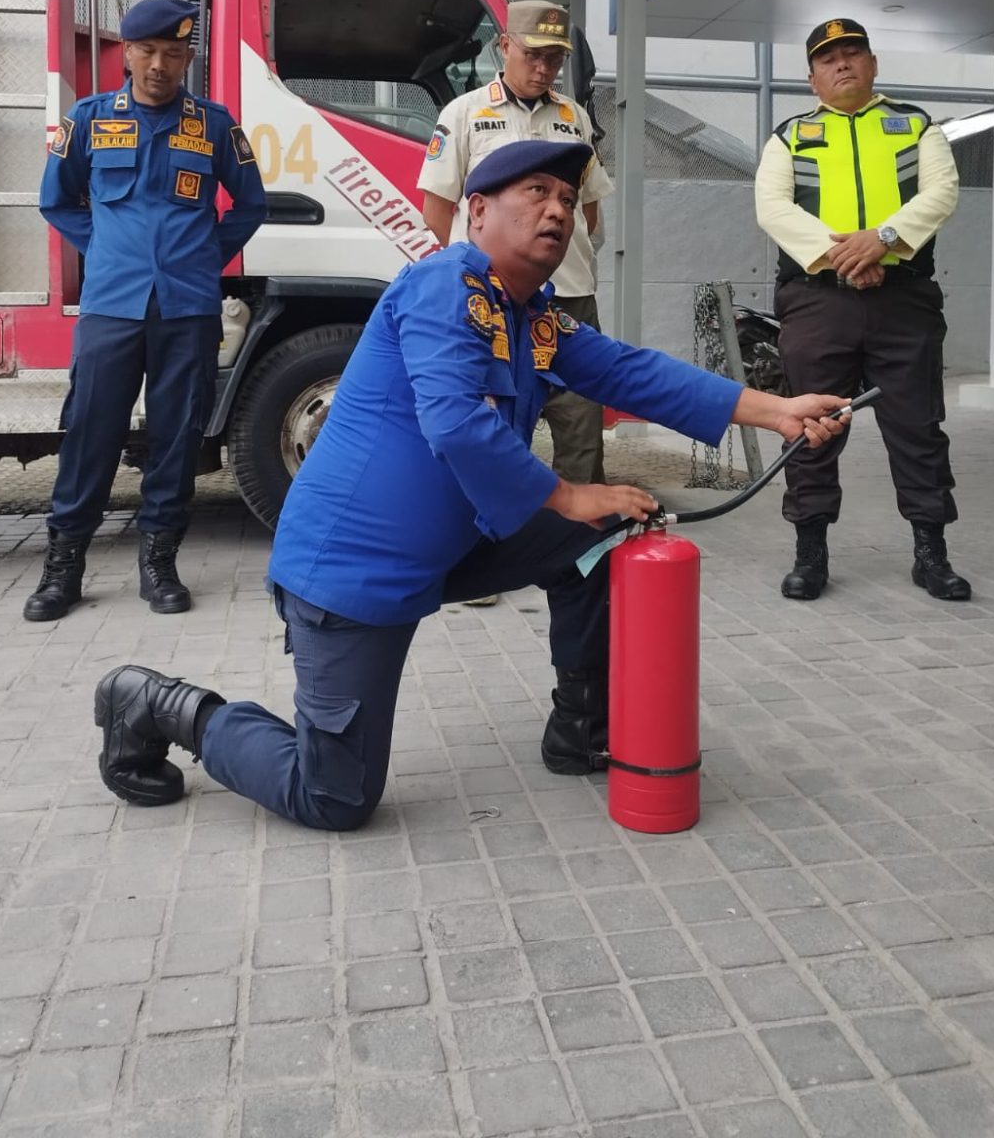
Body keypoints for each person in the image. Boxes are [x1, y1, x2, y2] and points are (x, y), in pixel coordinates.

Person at [94, 138, 849, 827]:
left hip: (460, 542)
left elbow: (626, 370)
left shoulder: (528, 315)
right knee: (332, 796)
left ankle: (583, 727)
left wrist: (777, 410)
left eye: (566, 200)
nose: (558, 210)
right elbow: (454, 421)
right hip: (356, 575)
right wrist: (565, 494)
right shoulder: (443, 286)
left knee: (607, 530)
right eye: (537, 193)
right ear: (477, 210)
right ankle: (159, 706)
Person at [23, 0, 266, 623]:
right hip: (112, 305)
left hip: (187, 307)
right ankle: (63, 568)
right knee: (91, 432)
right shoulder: (90, 118)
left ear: (188, 56)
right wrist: (102, 249)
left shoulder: (212, 125)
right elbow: (56, 201)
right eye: (148, 51)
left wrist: (206, 254)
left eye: (174, 53)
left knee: (177, 435)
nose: (161, 64)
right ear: (126, 52)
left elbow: (250, 204)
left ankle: (159, 564)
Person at [754, 17, 970, 604]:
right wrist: (844, 254)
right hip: (818, 300)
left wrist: (885, 238)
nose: (843, 64)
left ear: (873, 65)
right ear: (812, 78)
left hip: (904, 300)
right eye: (829, 59)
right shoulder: (790, 135)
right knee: (811, 427)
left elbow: (941, 193)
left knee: (919, 428)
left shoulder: (915, 126)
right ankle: (811, 553)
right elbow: (773, 208)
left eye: (853, 53)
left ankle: (932, 554)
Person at [418, 1, 612, 489]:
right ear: (504, 46)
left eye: (555, 58)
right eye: (533, 55)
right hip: (490, 299)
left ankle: (578, 551)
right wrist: (477, 273)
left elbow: (589, 213)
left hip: (567, 297)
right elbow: (437, 210)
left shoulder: (575, 119)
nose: (544, 68)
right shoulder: (464, 113)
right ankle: (494, 538)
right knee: (495, 420)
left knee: (581, 426)